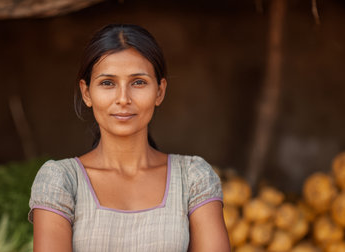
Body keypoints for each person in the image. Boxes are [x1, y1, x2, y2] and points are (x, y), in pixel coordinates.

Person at [28, 24, 230, 251]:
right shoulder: (61, 182)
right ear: (86, 93)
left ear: (160, 91)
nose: (123, 98)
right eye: (107, 83)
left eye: (138, 82)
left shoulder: (194, 178)